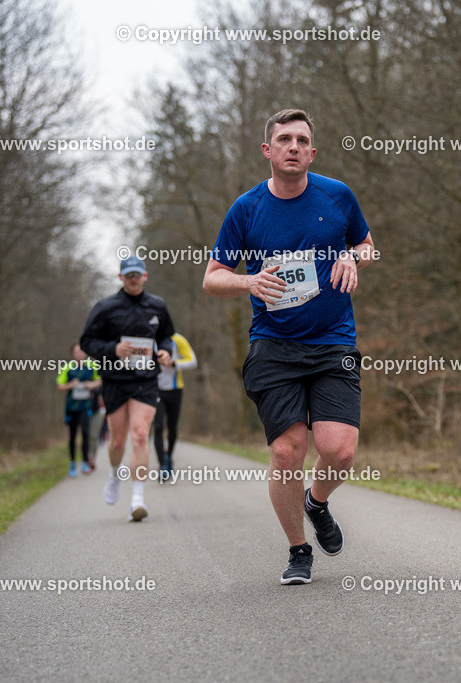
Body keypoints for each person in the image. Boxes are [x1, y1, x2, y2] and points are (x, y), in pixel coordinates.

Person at [203, 109, 376, 584]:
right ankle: (299, 550)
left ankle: (316, 502)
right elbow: (212, 278)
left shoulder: (337, 195)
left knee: (338, 452)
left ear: (312, 152)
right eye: (284, 139)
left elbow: (368, 245)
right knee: (287, 451)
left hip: (332, 341)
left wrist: (351, 255)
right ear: (268, 150)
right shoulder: (246, 209)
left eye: (302, 140)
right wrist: (249, 283)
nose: (293, 146)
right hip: (274, 345)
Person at [80, 255, 175, 522]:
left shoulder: (157, 305)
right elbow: (87, 341)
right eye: (128, 275)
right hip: (114, 379)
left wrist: (166, 352)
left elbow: (167, 336)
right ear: (121, 278)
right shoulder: (105, 307)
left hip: (145, 379)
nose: (133, 279)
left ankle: (137, 499)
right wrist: (113, 349)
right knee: (118, 441)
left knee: (141, 435)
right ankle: (113, 476)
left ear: (145, 276)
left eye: (137, 275)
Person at [154, 331, 197, 481]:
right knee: (158, 427)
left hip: (175, 389)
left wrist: (174, 363)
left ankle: (168, 457)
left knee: (172, 428)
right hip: (155, 390)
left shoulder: (177, 339)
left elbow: (193, 361)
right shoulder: (149, 339)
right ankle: (162, 466)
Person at [56, 342, 101, 476]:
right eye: (77, 352)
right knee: (73, 436)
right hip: (71, 407)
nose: (79, 354)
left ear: (85, 353)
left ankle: (85, 462)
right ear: (72, 354)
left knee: (86, 433)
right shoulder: (68, 368)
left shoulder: (91, 366)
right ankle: (72, 464)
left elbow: (100, 380)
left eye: (81, 351)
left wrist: (91, 385)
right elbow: (59, 385)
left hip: (86, 406)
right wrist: (71, 385)